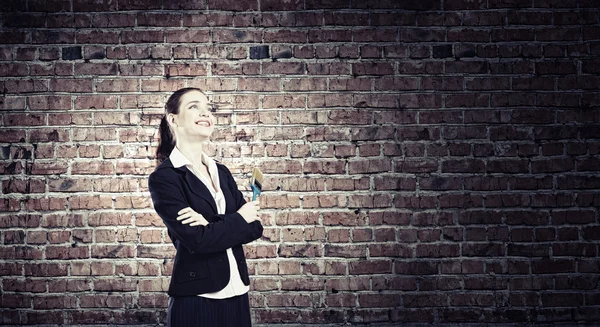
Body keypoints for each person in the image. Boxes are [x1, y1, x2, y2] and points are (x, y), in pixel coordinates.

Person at [148, 87, 263, 327]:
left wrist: (210, 225)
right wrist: (238, 218)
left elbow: (255, 227)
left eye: (208, 108)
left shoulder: (220, 171)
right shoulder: (165, 178)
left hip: (238, 291)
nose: (206, 113)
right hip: (196, 298)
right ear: (173, 119)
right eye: (194, 107)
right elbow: (198, 241)